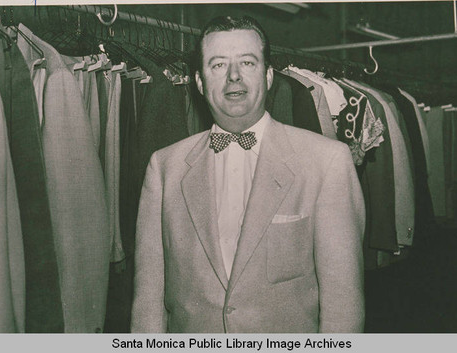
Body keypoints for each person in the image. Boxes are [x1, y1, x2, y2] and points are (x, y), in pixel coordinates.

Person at [131, 15, 365, 333]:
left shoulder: (326, 162)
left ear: (269, 76)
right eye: (218, 65)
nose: (234, 77)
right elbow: (147, 303)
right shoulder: (164, 167)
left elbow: (343, 308)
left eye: (247, 63)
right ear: (198, 82)